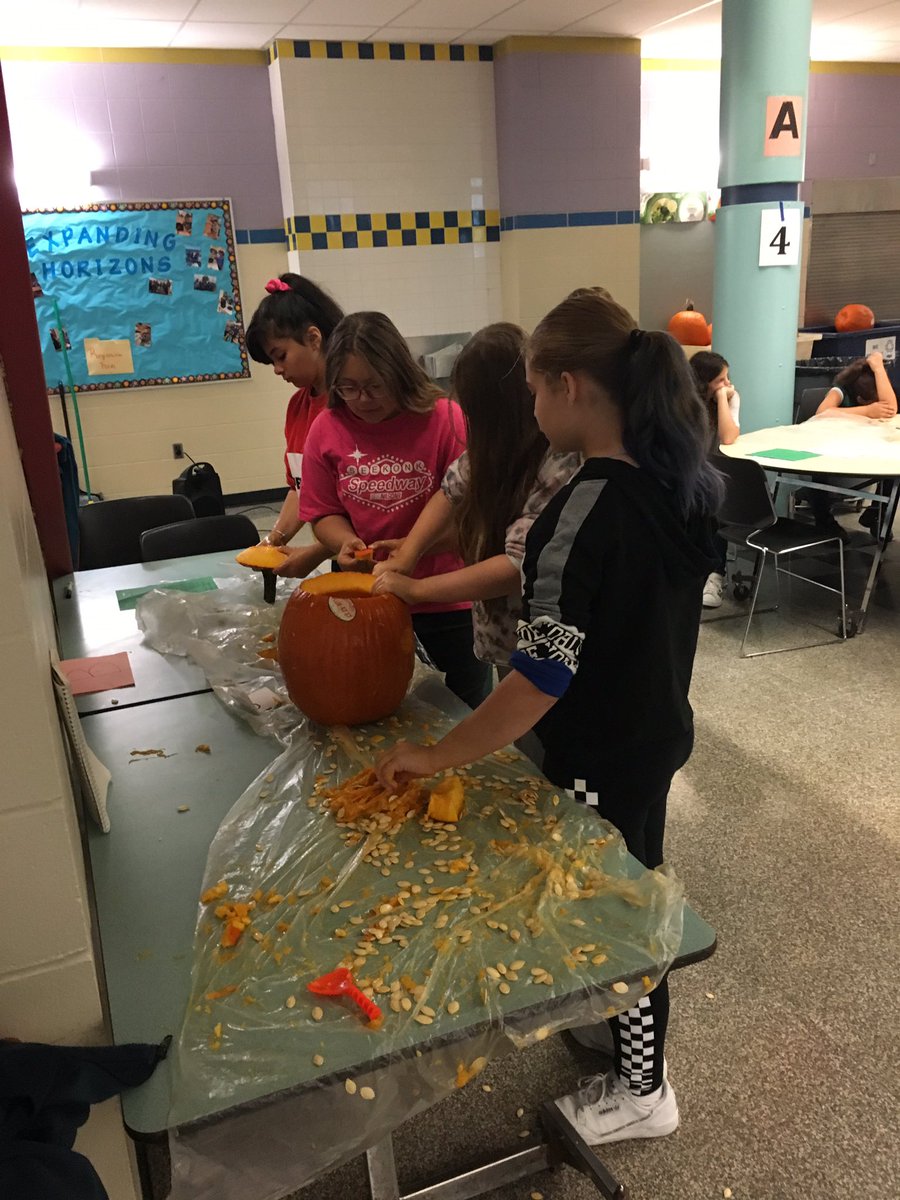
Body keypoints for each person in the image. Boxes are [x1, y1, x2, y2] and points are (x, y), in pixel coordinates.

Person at [374, 289, 721, 1147]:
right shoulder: (680, 483)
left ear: (568, 387)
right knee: (635, 886)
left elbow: (538, 680)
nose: (529, 408)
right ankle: (615, 1023)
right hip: (655, 732)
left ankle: (644, 1088)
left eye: (534, 390)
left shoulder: (581, 512)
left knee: (624, 915)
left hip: (602, 746)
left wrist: (438, 755)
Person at [297, 310, 492, 711]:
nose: (363, 400)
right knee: (373, 715)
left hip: (446, 603)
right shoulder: (326, 427)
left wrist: (415, 550)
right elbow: (322, 513)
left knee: (458, 719)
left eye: (374, 386)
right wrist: (345, 541)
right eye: (348, 388)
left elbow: (473, 520)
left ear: (400, 375)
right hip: (365, 599)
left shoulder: (445, 420)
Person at [371, 323, 580, 672]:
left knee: (534, 720)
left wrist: (417, 589)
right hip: (501, 638)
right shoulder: (492, 450)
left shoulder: (560, 462)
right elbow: (449, 490)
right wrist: (409, 552)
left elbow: (516, 565)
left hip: (542, 644)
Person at [245, 274, 344, 576]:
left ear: (314, 339)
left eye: (281, 356)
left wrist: (314, 553)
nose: (277, 370)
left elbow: (370, 506)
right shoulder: (298, 407)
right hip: (345, 557)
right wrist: (273, 542)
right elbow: (301, 488)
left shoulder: (354, 404)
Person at [803, 351, 898, 541]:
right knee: (817, 468)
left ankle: (877, 513)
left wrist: (879, 368)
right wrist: (867, 411)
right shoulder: (840, 391)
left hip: (865, 448)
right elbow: (822, 413)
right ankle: (824, 520)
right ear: (861, 399)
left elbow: (890, 407)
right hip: (830, 451)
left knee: (895, 467)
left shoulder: (877, 386)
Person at [690, 350, 741, 608]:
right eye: (720, 380)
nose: (728, 384)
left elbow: (729, 436)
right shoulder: (685, 402)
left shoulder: (729, 398)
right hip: (688, 469)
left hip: (713, 471)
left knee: (714, 499)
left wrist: (722, 398)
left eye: (727, 378)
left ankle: (715, 575)